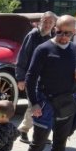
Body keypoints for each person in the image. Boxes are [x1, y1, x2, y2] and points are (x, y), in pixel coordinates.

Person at [21, 15, 76, 151]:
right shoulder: (43, 49)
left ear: (74, 33)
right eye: (59, 32)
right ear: (54, 29)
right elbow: (30, 76)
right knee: (38, 143)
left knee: (60, 144)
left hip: (66, 103)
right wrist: (34, 103)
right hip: (45, 103)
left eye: (68, 33)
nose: (63, 36)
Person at [16, 11, 57, 144]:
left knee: (47, 106)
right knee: (33, 105)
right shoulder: (33, 35)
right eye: (45, 21)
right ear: (41, 21)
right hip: (32, 77)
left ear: (54, 24)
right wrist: (20, 77)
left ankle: (42, 133)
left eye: (50, 22)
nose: (47, 24)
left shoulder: (55, 37)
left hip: (47, 78)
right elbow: (23, 56)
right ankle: (24, 130)